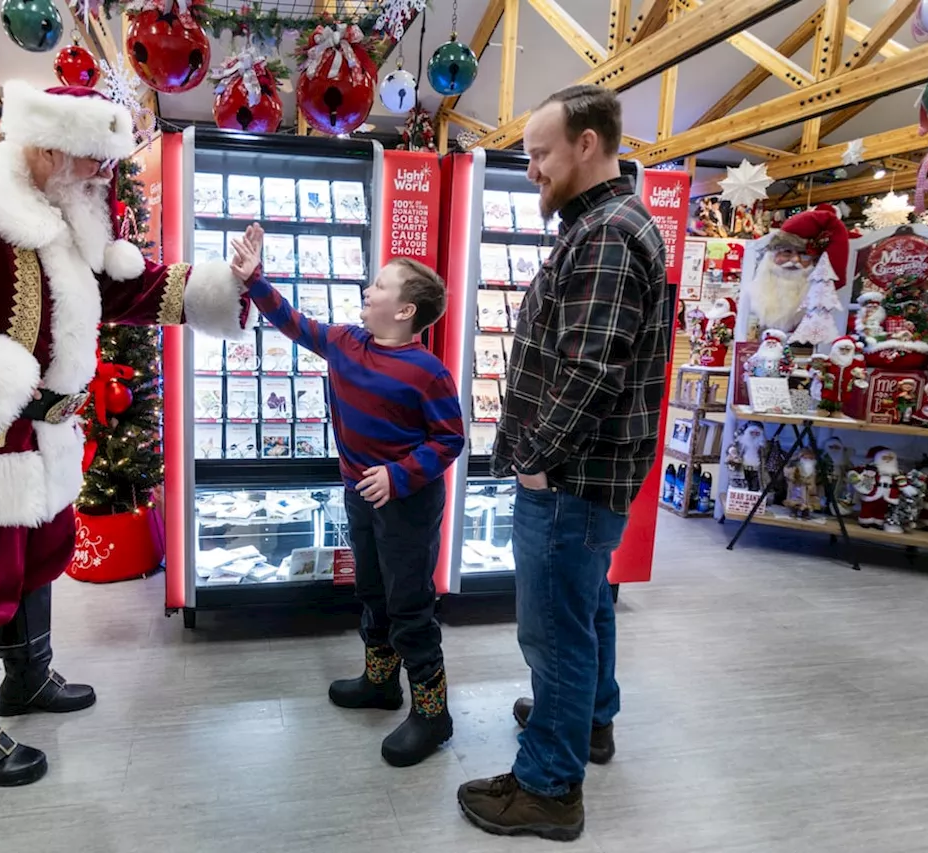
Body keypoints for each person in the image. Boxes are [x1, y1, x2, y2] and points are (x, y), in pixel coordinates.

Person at [0, 81, 254, 787]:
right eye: (94, 159)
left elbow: (124, 289)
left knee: (35, 557)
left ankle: (26, 678)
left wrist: (222, 284)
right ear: (47, 144)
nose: (104, 175)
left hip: (39, 437)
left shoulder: (67, 210)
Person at [456, 85, 669, 840]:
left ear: (587, 143)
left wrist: (537, 462)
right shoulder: (609, 222)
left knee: (553, 631)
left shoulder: (607, 233)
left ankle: (549, 785)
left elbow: (588, 371)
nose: (530, 169)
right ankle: (588, 719)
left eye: (541, 152)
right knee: (588, 610)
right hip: (595, 478)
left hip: (572, 480)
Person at [228, 224, 465, 767]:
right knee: (372, 589)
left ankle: (433, 713)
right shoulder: (345, 342)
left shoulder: (428, 373)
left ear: (405, 311)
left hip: (408, 502)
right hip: (360, 494)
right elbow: (293, 323)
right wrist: (255, 280)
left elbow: (450, 438)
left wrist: (400, 474)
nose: (368, 290)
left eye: (380, 286)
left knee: (410, 604)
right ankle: (381, 683)